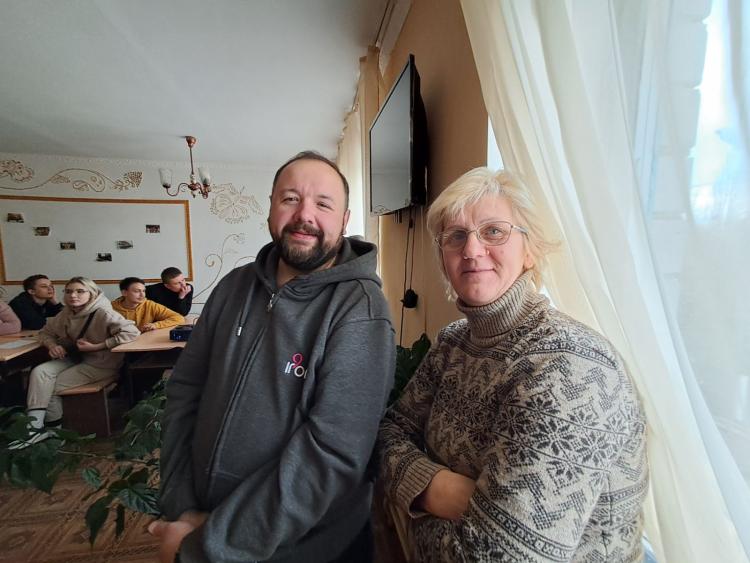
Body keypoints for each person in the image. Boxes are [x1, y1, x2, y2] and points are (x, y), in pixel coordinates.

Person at [377, 168, 648, 562]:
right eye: (456, 236)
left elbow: (496, 557)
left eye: (493, 231)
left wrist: (415, 503)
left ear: (530, 250)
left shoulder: (569, 367)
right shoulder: (454, 342)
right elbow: (390, 432)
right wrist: (440, 489)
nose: (472, 250)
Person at [151, 151, 395, 563]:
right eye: (290, 199)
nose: (304, 215)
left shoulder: (361, 309)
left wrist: (209, 545)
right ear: (270, 208)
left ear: (344, 220)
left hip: (306, 548)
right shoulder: (233, 285)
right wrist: (182, 506)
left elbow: (332, 453)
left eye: (323, 204)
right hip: (203, 522)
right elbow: (185, 391)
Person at [19, 277, 139, 445]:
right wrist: (53, 345)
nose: (73, 295)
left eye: (80, 291)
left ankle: (54, 430)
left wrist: (97, 346)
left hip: (100, 364)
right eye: (68, 291)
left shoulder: (103, 312)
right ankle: (33, 428)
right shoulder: (67, 312)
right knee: (40, 372)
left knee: (49, 386)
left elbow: (132, 333)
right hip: (76, 358)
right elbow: (45, 333)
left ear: (92, 293)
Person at [112, 277, 184, 332]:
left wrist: (156, 325)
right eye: (137, 291)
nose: (142, 295)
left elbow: (178, 318)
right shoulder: (110, 308)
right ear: (124, 293)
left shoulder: (149, 305)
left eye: (143, 291)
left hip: (144, 341)